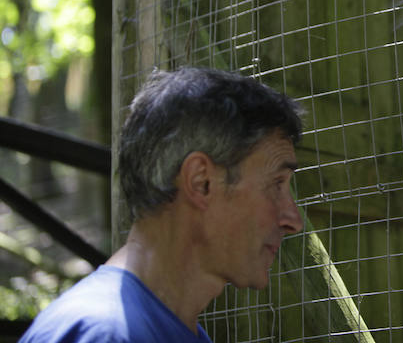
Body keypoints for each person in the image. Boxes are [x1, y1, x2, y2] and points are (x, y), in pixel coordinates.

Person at [20, 67, 305, 342]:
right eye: (276, 184)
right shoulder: (105, 333)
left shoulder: (155, 327)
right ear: (201, 181)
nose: (293, 219)